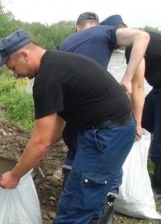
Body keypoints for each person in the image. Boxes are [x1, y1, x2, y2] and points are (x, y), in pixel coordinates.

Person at [0, 29, 136, 223]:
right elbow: (57, 126)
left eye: (13, 68)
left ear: (24, 55)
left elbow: (41, 142)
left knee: (74, 207)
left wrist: (15, 175)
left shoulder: (47, 79)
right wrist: (30, 160)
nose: (15, 75)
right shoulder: (58, 62)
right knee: (90, 200)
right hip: (112, 129)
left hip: (107, 134)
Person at [58, 12, 149, 223]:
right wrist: (136, 122)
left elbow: (137, 87)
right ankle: (98, 212)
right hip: (103, 119)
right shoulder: (110, 39)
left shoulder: (73, 42)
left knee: (79, 156)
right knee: (107, 167)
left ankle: (74, 202)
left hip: (78, 113)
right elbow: (136, 87)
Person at [123, 29, 161, 202]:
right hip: (158, 89)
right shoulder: (141, 39)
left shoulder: (136, 46)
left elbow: (137, 86)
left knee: (159, 143)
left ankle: (158, 188)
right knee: (144, 122)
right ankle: (139, 170)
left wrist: (135, 122)